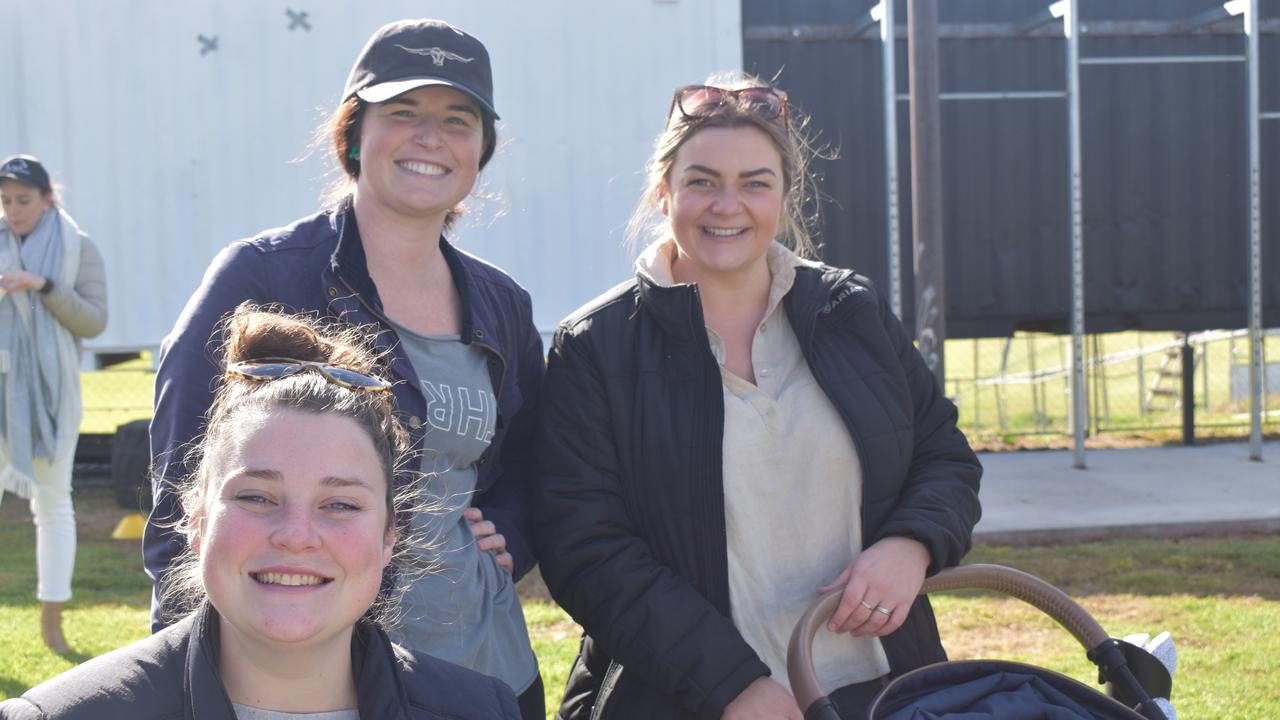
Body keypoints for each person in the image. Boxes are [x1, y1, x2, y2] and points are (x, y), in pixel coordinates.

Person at [533, 75, 983, 720]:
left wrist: (912, 544)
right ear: (663, 193)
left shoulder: (849, 311)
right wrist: (734, 686)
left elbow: (945, 456)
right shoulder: (596, 345)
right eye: (702, 180)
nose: (727, 205)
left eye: (754, 182)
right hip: (691, 699)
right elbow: (585, 547)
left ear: (784, 195)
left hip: (877, 689)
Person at [145, 19, 545, 717]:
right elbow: (182, 491)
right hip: (319, 683)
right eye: (403, 113)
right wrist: (189, 684)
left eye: (458, 119)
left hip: (488, 677)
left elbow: (535, 463)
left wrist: (509, 528)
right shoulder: (263, 275)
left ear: (482, 149)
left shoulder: (502, 303)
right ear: (354, 133)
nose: (430, 137)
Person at [0, 305, 520, 719]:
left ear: (389, 536)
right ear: (196, 519)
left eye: (339, 505)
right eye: (256, 498)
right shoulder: (64, 715)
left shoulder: (480, 710)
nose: (296, 536)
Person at [0, 154, 108, 654]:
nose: (13, 210)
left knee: (52, 505)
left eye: (23, 200)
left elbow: (93, 321)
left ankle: (52, 624)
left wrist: (43, 287)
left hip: (52, 397)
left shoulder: (76, 247)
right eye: (5, 201)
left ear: (47, 198)